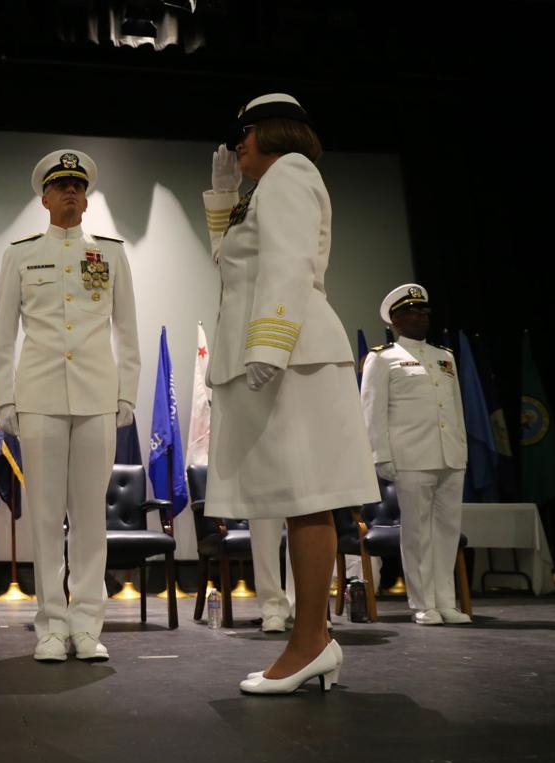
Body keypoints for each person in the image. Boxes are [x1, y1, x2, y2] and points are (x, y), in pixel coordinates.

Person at [201, 94, 378, 694]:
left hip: (293, 356)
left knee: (309, 497)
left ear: (273, 132)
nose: (237, 142)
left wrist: (269, 344)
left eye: (245, 132)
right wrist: (224, 201)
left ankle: (309, 642)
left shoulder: (292, 174)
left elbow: (289, 264)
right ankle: (311, 641)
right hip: (284, 355)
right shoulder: (264, 189)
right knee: (297, 498)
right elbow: (233, 264)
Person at [0, 150, 140, 663]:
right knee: (46, 516)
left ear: (87, 196)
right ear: (45, 198)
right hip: (39, 397)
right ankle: (51, 626)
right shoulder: (19, 254)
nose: (72, 193)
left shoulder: (112, 254)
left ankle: (86, 626)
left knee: (90, 519)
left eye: (79, 185)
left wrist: (126, 392)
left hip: (97, 395)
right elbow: (5, 334)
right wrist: (5, 397)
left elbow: (127, 331)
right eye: (62, 186)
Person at [360, 284, 470, 625]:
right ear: (395, 320)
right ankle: (423, 603)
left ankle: (446, 601)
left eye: (424, 312)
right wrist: (381, 455)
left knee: (447, 530)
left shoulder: (445, 356)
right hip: (411, 456)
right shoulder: (382, 358)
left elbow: (455, 409)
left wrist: (462, 448)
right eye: (411, 312)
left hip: (449, 454)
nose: (420, 317)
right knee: (417, 531)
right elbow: (372, 411)